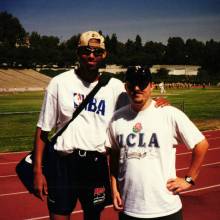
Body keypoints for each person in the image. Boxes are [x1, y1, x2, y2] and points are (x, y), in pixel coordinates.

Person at [33, 31, 168, 220]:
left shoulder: (114, 86)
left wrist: (158, 102)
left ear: (104, 55)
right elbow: (43, 129)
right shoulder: (59, 83)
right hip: (63, 163)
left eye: (97, 52)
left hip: (95, 164)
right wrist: (38, 170)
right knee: (59, 216)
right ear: (78, 53)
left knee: (93, 216)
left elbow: (138, 104)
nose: (91, 56)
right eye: (86, 51)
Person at [108, 66, 209, 220]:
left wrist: (189, 179)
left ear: (151, 86)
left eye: (142, 83)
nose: (136, 88)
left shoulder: (169, 114)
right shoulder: (116, 118)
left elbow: (201, 144)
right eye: (132, 84)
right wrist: (114, 189)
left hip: (165, 209)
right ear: (125, 87)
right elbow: (114, 156)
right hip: (129, 208)